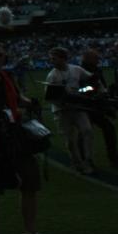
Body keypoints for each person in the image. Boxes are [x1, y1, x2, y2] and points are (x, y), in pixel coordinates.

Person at [0, 42, 52, 234]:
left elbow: (17, 99)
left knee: (30, 183)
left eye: (0, 53)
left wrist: (30, 103)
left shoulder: (6, 77)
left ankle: (30, 233)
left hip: (15, 139)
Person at [43, 47, 95, 175]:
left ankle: (88, 160)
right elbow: (49, 97)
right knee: (70, 140)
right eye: (51, 58)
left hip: (78, 108)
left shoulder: (76, 69)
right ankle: (77, 163)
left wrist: (94, 89)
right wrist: (62, 102)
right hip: (62, 111)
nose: (52, 61)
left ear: (63, 58)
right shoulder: (52, 75)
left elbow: (92, 79)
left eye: (54, 58)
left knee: (87, 130)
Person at [78, 48, 118, 166]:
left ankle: (112, 158)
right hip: (85, 106)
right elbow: (79, 90)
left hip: (96, 105)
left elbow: (101, 86)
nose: (98, 60)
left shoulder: (96, 69)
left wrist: (106, 93)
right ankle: (85, 159)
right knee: (85, 132)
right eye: (96, 58)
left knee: (104, 129)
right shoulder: (79, 71)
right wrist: (92, 90)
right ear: (88, 59)